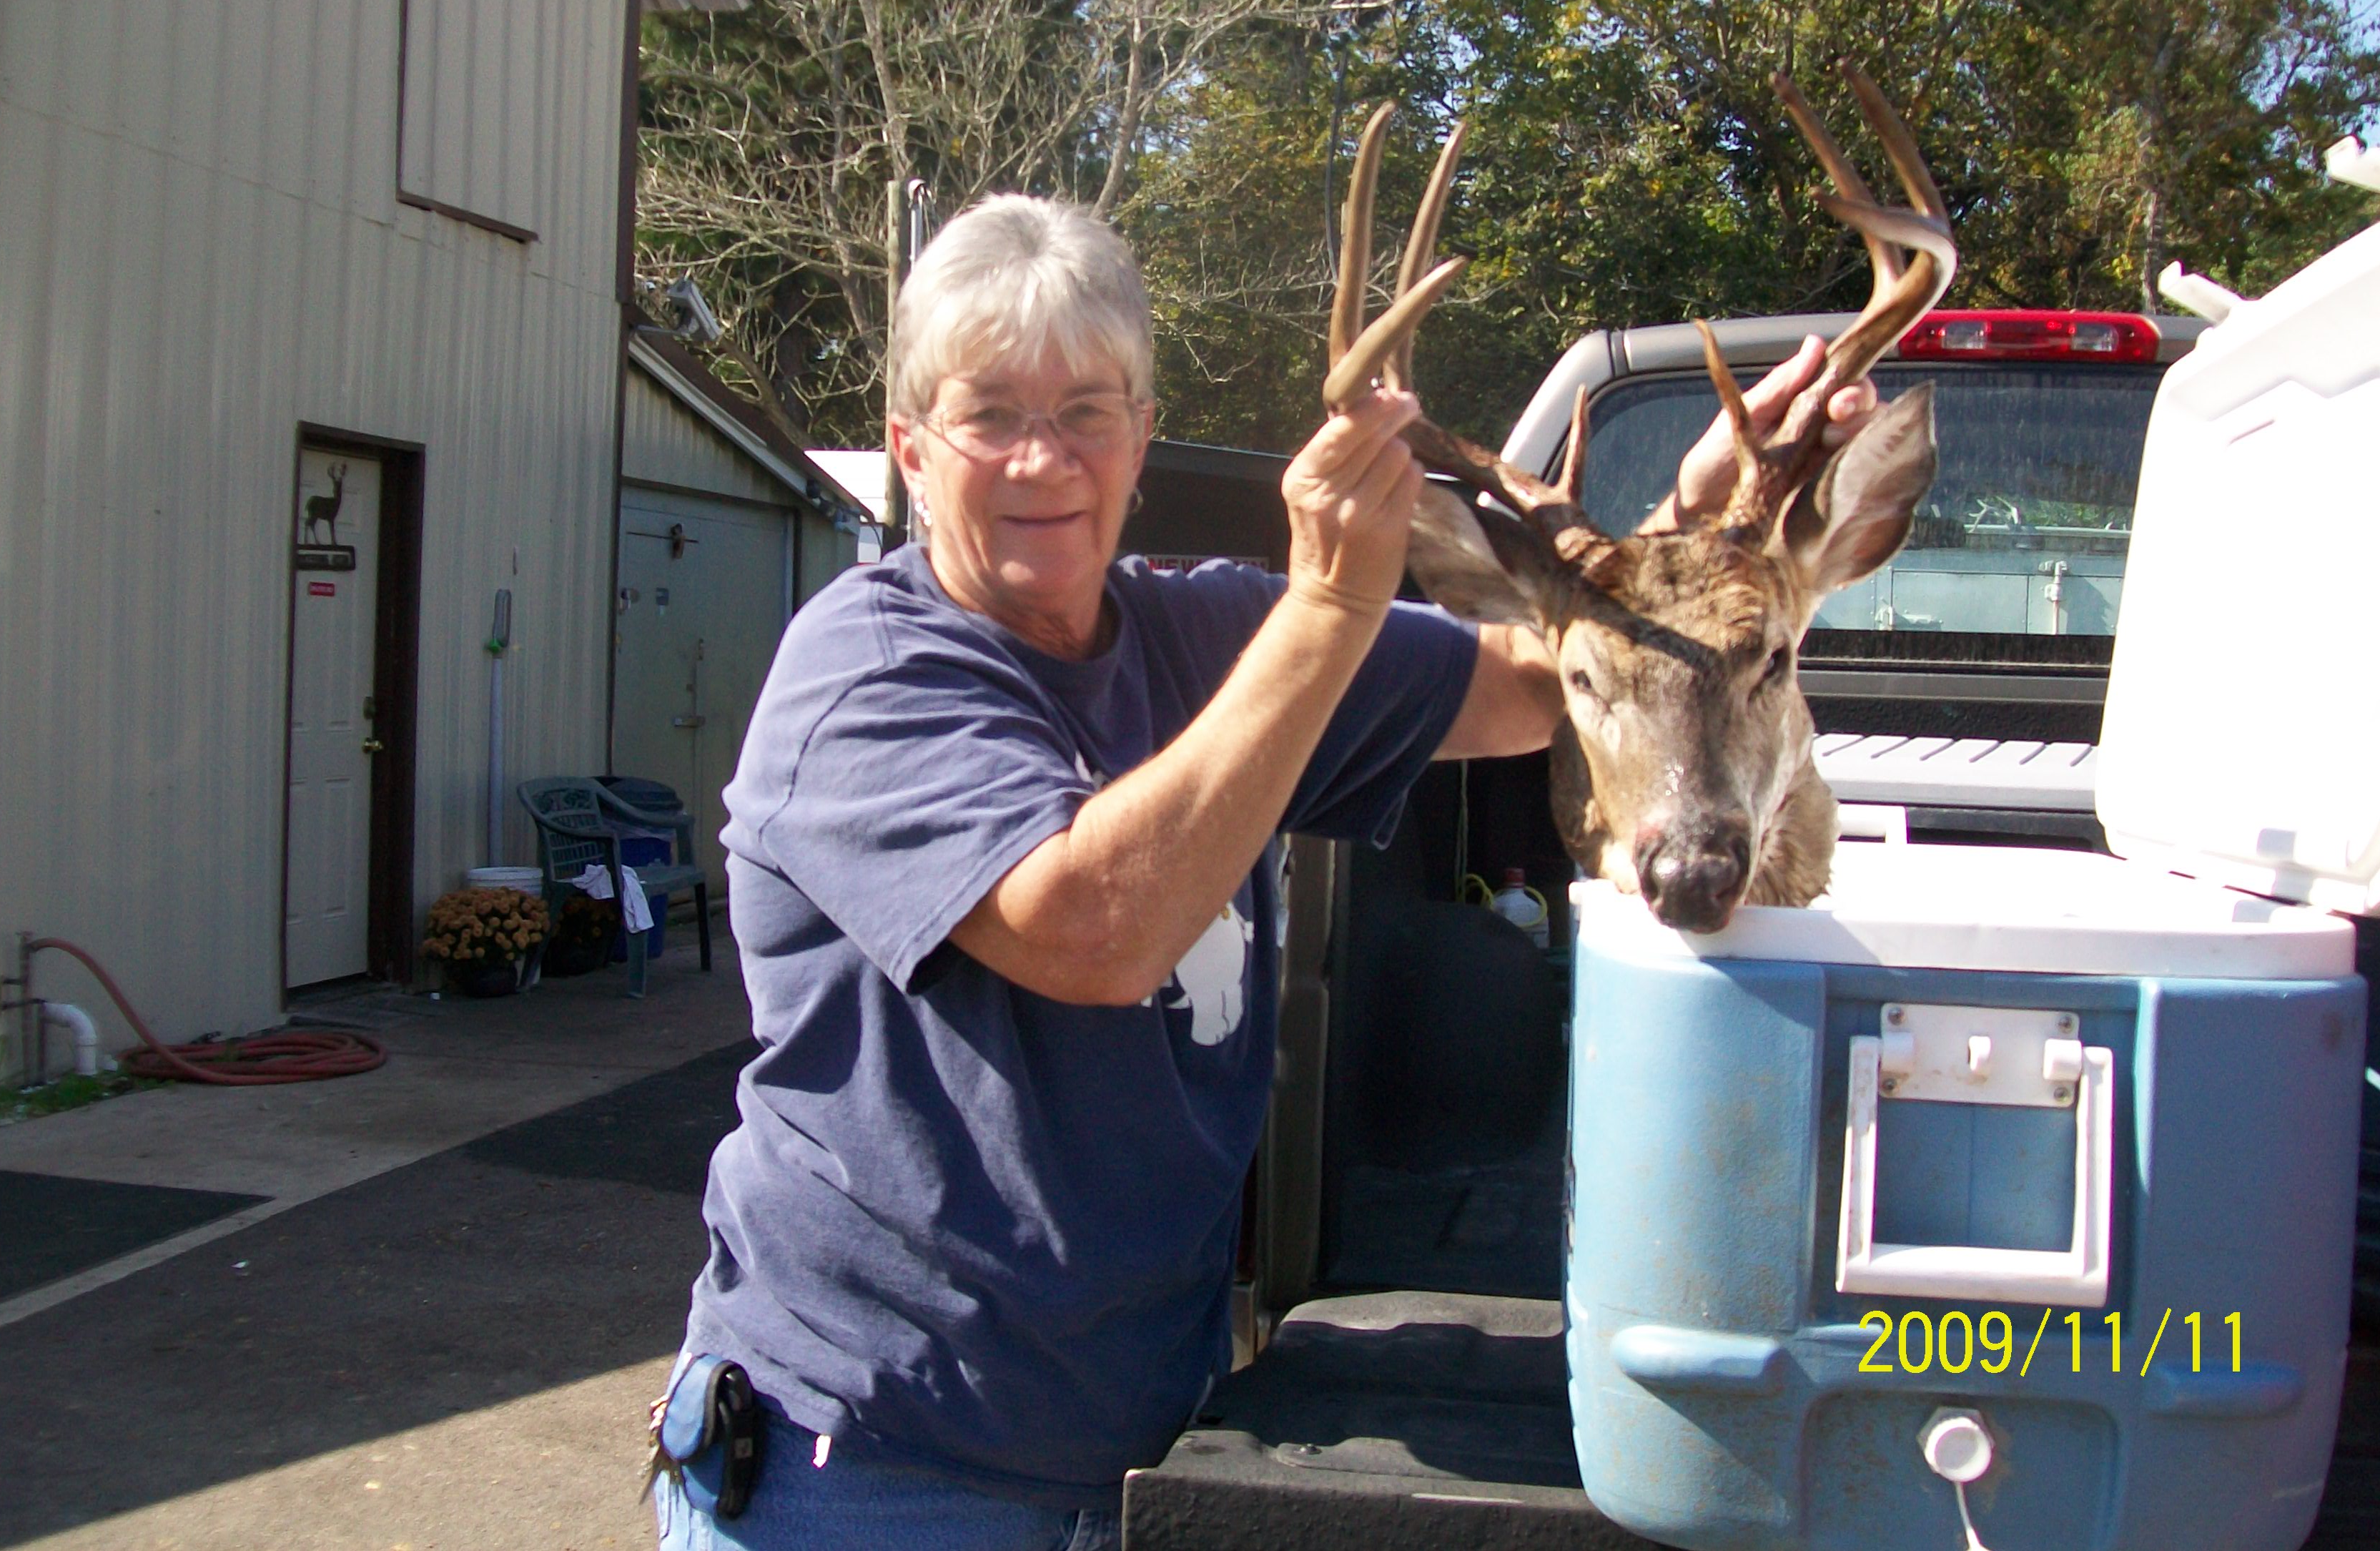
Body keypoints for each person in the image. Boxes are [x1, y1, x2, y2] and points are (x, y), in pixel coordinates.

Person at [652, 195, 1871, 1550]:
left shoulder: (1203, 632)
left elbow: (1545, 682)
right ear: (909, 453)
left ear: (1141, 440)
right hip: (873, 1465)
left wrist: (1687, 544)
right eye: (989, 413)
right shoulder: (866, 672)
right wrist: (1330, 609)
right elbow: (1091, 932)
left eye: (1089, 411)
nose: (1042, 458)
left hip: (1149, 1433)